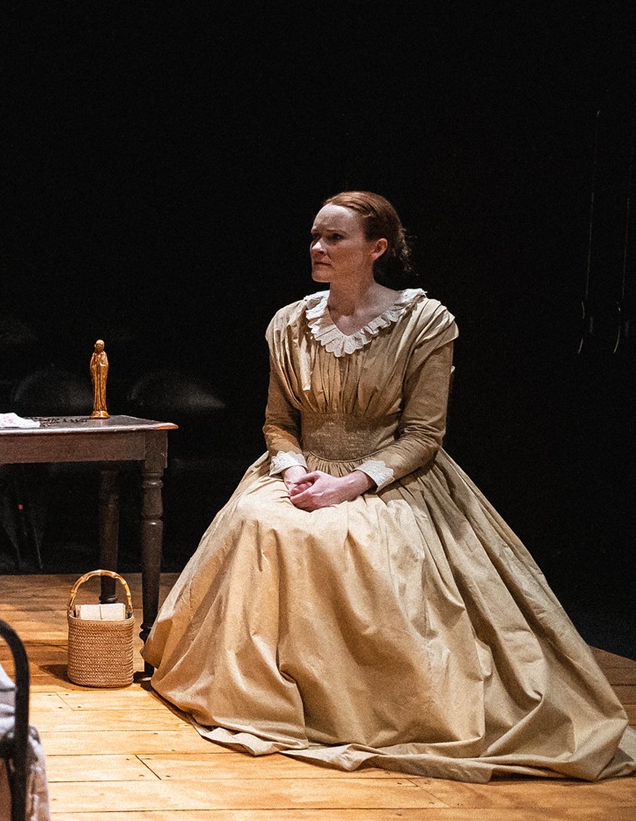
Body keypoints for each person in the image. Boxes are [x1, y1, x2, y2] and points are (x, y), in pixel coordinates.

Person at [144, 192, 634, 782]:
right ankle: (269, 692)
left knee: (363, 544)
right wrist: (296, 471)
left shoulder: (425, 323)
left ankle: (372, 704)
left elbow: (423, 436)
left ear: (377, 249)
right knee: (262, 520)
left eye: (334, 239)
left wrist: (349, 485)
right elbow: (278, 422)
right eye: (315, 236)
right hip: (304, 466)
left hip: (392, 475)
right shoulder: (290, 323)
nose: (318, 249)